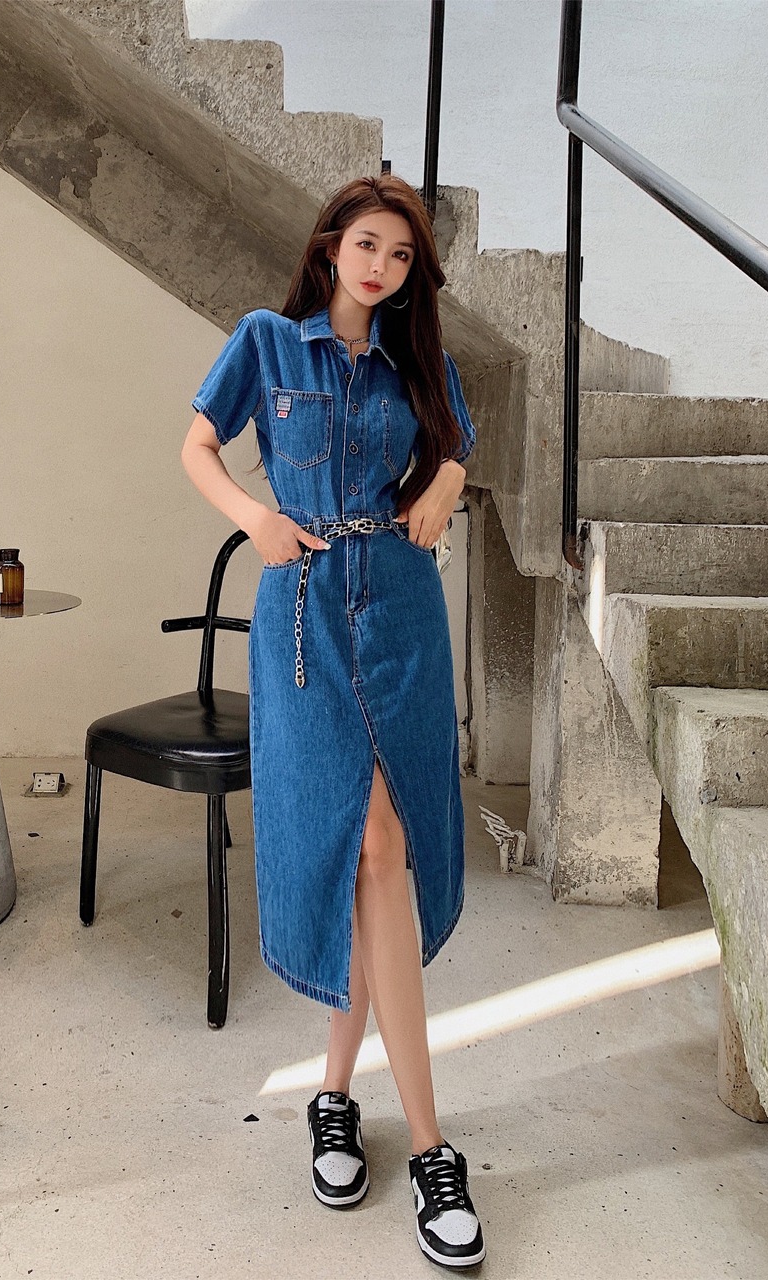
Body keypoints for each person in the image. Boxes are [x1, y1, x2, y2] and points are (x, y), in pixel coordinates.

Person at [180, 173, 483, 1270]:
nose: (381, 269)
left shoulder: (416, 359)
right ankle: (408, 1134)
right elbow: (195, 446)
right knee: (355, 847)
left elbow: (458, 441)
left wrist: (443, 483)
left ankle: (355, 1107)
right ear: (329, 247)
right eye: (367, 246)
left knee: (383, 849)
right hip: (303, 613)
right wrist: (254, 517)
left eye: (400, 257)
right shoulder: (265, 342)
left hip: (398, 608)